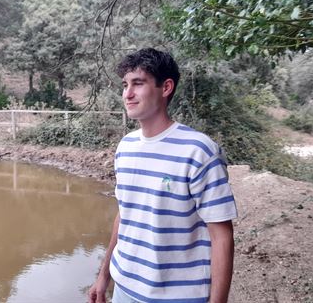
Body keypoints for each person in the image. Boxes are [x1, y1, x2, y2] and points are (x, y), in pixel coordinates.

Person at [88, 48, 237, 303]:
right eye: (125, 85)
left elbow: (221, 235)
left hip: (178, 296)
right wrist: (104, 275)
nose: (128, 94)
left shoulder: (199, 151)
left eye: (138, 83)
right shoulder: (125, 147)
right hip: (125, 287)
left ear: (166, 87)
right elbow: (125, 214)